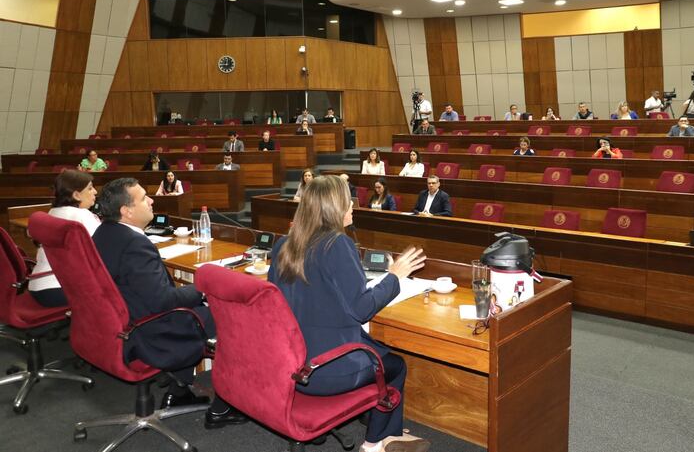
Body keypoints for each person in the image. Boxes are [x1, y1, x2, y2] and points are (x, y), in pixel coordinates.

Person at [268, 175, 429, 452]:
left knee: (380, 352)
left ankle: (384, 428)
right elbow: (362, 310)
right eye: (347, 201)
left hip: (291, 365)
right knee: (395, 366)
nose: (352, 206)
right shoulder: (336, 244)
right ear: (333, 207)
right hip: (327, 368)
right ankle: (377, 441)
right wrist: (394, 277)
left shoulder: (284, 245)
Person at [92, 178, 246, 426]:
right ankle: (225, 405)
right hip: (149, 333)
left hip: (121, 326)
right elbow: (163, 300)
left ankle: (180, 390)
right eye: (144, 197)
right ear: (127, 211)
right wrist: (202, 289)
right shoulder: (134, 244)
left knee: (193, 304)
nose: (151, 200)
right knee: (232, 316)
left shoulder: (103, 233)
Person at [28, 170, 101, 307]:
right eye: (90, 188)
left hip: (38, 286)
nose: (95, 192)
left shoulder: (53, 212)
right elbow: (101, 252)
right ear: (76, 195)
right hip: (60, 289)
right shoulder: (82, 216)